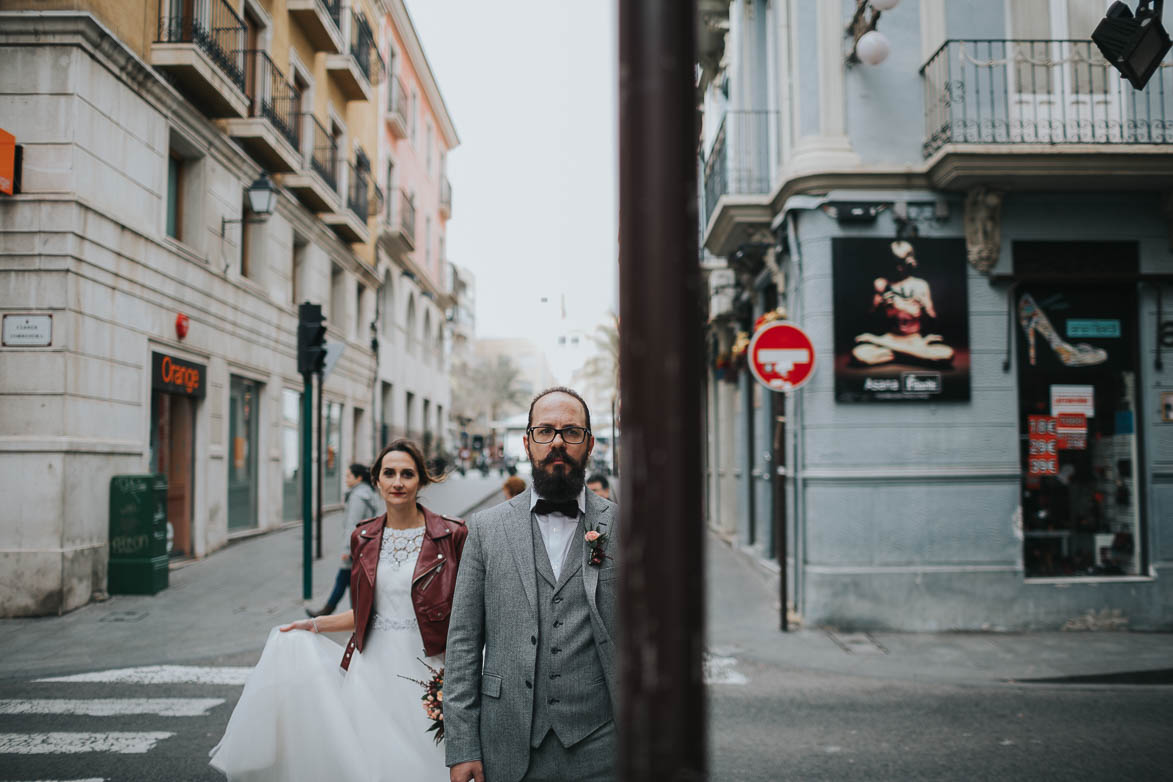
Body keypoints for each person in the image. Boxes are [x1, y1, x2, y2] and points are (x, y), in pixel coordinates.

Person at [209, 439, 468, 782]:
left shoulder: (451, 534)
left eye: (407, 474)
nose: (397, 482)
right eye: (389, 474)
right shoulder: (363, 537)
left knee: (428, 760)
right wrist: (312, 625)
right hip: (371, 668)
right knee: (372, 762)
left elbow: (467, 615)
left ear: (421, 480)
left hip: (428, 666)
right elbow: (363, 614)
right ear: (376, 480)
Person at [446, 387, 619, 782]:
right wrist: (462, 746)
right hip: (506, 743)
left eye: (571, 432)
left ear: (589, 444)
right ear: (527, 442)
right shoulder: (486, 528)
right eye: (545, 431)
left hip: (603, 744)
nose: (557, 443)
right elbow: (463, 642)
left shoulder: (623, 526)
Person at [852, 240, 955, 365]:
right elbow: (870, 318)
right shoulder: (881, 284)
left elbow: (932, 319)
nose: (897, 267)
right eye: (894, 262)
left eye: (901, 263)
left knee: (947, 354)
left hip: (913, 339)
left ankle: (895, 353)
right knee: (859, 355)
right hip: (891, 337)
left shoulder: (920, 285)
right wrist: (876, 306)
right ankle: (913, 356)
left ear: (910, 262)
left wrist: (925, 309)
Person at [307, 463, 380, 618]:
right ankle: (332, 611)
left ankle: (347, 614)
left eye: (348, 476)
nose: (346, 479)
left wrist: (347, 549)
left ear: (358, 478)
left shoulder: (358, 497)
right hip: (364, 545)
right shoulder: (368, 493)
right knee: (347, 579)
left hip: (356, 547)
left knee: (352, 581)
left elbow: (352, 525)